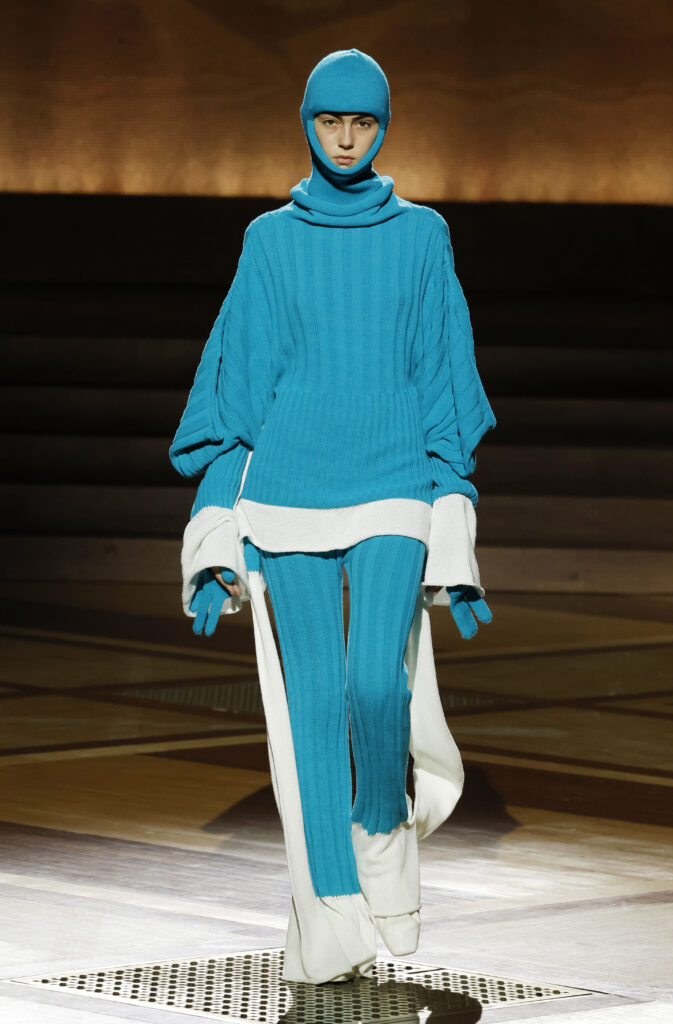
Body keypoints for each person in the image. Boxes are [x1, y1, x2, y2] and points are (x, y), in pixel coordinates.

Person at [168, 48, 496, 985]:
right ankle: (331, 923)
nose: (346, 139)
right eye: (329, 121)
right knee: (309, 709)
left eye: (362, 123)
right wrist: (214, 532)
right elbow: (238, 392)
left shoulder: (422, 235)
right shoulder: (269, 240)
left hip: (393, 480)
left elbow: (441, 377)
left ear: (383, 127)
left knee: (374, 687)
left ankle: (383, 833)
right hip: (285, 492)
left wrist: (454, 536)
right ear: (306, 124)